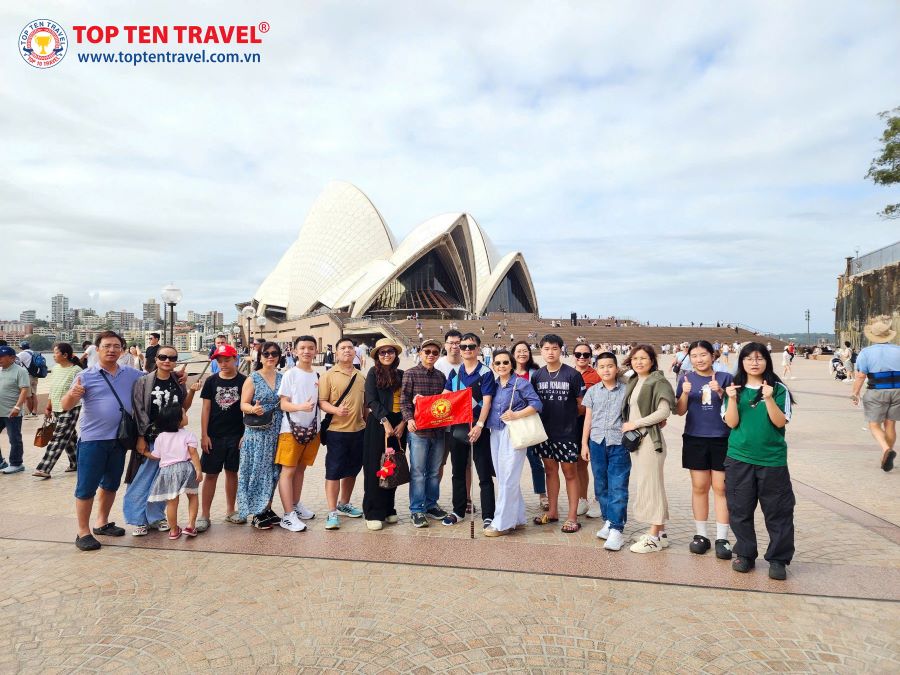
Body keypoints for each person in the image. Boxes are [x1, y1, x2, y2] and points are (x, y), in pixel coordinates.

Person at [61, 331, 145, 551]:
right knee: (86, 487)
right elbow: (66, 405)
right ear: (96, 349)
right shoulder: (85, 375)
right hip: (93, 440)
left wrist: (179, 378)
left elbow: (154, 381)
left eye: (116, 346)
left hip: (120, 440)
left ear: (122, 350)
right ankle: (83, 532)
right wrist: (73, 394)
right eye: (107, 346)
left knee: (110, 484)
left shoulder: (132, 374)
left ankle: (102, 522)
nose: (112, 350)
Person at [723, 342, 795, 580]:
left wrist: (770, 398)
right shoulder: (734, 389)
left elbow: (780, 422)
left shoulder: (779, 389)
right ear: (742, 362)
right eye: (749, 358)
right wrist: (732, 399)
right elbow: (732, 423)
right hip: (739, 458)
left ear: (767, 360)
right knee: (740, 509)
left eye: (759, 358)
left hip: (772, 460)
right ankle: (745, 553)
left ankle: (778, 559)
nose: (754, 362)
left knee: (778, 511)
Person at [126, 344, 198, 537]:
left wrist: (190, 391)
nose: (167, 361)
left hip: (172, 441)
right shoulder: (143, 381)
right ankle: (138, 519)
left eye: (172, 358)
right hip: (151, 438)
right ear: (156, 359)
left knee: (163, 482)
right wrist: (141, 437)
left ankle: (156, 517)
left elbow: (183, 408)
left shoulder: (178, 381)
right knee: (142, 479)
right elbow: (138, 410)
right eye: (163, 357)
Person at [675, 340, 734, 559]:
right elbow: (679, 411)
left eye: (703, 355)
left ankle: (722, 537)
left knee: (721, 488)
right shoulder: (686, 378)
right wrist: (684, 393)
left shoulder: (725, 378)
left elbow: (733, 409)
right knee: (699, 487)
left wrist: (721, 394)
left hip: (722, 438)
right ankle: (701, 535)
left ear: (713, 356)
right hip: (695, 437)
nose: (699, 359)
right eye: (695, 355)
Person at [622, 344, 676, 554]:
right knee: (651, 484)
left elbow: (664, 412)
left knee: (651, 486)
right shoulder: (634, 380)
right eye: (635, 358)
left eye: (643, 358)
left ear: (652, 360)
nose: (639, 362)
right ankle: (660, 533)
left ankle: (653, 537)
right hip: (638, 441)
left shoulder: (658, 381)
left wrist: (636, 423)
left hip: (650, 441)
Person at [483, 348, 542, 537]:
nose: (502, 366)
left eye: (505, 362)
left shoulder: (521, 383)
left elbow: (537, 404)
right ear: (493, 365)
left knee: (509, 477)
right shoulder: (494, 384)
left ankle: (502, 522)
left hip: (513, 432)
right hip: (496, 431)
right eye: (498, 363)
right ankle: (517, 517)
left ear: (512, 364)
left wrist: (516, 414)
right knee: (503, 476)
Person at [531, 334, 585, 533]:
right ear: (541, 351)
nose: (550, 352)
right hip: (545, 433)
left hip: (567, 433)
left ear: (561, 350)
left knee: (570, 472)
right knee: (550, 471)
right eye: (546, 348)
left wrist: (568, 419)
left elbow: (581, 406)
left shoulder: (572, 374)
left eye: (554, 348)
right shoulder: (537, 376)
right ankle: (552, 512)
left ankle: (572, 516)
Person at [441, 333, 496, 529]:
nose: (466, 350)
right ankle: (458, 510)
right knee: (457, 472)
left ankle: (488, 515)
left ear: (478, 349)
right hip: (458, 428)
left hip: (478, 429)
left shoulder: (486, 373)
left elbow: (487, 401)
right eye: (463, 346)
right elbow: (444, 398)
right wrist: (423, 401)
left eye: (471, 347)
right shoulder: (455, 374)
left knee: (483, 474)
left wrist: (480, 426)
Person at [580, 351, 629, 550]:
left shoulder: (626, 390)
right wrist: (584, 443)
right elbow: (588, 419)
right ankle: (609, 521)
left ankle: (617, 528)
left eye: (610, 366)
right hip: (597, 441)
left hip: (619, 442)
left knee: (618, 484)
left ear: (616, 369)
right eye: (601, 366)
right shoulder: (592, 392)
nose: (606, 369)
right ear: (596, 369)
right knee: (601, 485)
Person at [318, 337, 366, 530]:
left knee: (352, 469)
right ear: (336, 353)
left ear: (355, 352)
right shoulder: (328, 375)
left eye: (350, 347)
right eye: (343, 348)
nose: (347, 350)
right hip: (337, 431)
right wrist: (336, 410)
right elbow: (322, 402)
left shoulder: (361, 376)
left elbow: (365, 405)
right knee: (334, 471)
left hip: (358, 430)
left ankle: (344, 503)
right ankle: (332, 511)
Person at [400, 338, 448, 527]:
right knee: (418, 471)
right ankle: (417, 509)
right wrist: (409, 419)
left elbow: (444, 402)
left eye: (434, 353)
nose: (430, 355)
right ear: (420, 353)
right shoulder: (410, 374)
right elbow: (404, 401)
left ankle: (431, 504)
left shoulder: (440, 376)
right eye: (427, 351)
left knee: (434, 471)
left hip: (438, 431)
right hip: (419, 431)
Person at [198, 344, 247, 530]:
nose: (223, 364)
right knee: (210, 475)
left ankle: (230, 510)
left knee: (232, 473)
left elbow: (247, 410)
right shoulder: (211, 381)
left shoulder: (244, 381)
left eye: (227, 360)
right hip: (214, 436)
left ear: (235, 359)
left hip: (236, 435)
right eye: (220, 361)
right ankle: (204, 514)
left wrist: (245, 434)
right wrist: (204, 435)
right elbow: (206, 409)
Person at [275, 336, 320, 532]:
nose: (306, 351)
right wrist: (301, 406)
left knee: (301, 469)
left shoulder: (317, 375)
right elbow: (283, 403)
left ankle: (296, 504)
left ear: (316, 351)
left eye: (310, 348)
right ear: (294, 351)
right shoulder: (290, 374)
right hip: (290, 429)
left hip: (312, 429)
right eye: (302, 348)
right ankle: (287, 515)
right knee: (288, 471)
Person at [237, 342, 284, 529]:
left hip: (277, 430)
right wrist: (253, 409)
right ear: (260, 357)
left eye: (274, 353)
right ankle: (257, 512)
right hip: (258, 432)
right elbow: (243, 404)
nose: (270, 357)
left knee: (274, 472)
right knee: (257, 471)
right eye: (266, 354)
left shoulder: (283, 377)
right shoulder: (253, 378)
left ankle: (267, 507)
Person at [362, 338, 406, 530]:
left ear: (395, 354)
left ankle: (389, 508)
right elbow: (371, 400)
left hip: (399, 425)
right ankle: (373, 511)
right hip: (379, 424)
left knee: (392, 465)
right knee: (376, 467)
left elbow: (409, 401)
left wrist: (403, 423)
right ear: (377, 356)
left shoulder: (403, 374)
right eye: (382, 352)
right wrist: (385, 421)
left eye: (390, 351)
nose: (386, 354)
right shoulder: (373, 373)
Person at [851, 316, 900, 472]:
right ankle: (885, 455)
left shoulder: (866, 352)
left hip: (877, 390)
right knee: (890, 423)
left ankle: (886, 449)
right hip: (898, 390)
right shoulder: (898, 350)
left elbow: (860, 375)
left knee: (874, 425)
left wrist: (855, 393)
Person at [147, 404, 202, 539]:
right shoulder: (188, 435)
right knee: (193, 495)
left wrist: (145, 453)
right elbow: (193, 453)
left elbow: (156, 455)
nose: (186, 416)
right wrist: (199, 470)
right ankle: (190, 525)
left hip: (167, 471)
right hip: (186, 468)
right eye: (184, 414)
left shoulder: (160, 437)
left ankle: (173, 530)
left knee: (171, 501)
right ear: (177, 420)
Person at [33, 343, 83, 478]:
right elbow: (53, 389)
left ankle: (44, 468)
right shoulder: (55, 369)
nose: (53, 355)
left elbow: (80, 391)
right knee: (70, 438)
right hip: (56, 407)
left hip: (72, 408)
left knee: (58, 437)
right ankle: (77, 463)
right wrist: (49, 406)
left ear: (65, 355)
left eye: (55, 353)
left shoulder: (76, 370)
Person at [512, 340, 548, 511]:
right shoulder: (507, 371)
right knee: (511, 463)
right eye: (518, 351)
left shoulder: (536, 372)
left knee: (535, 460)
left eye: (525, 351)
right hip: (512, 424)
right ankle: (512, 497)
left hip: (531, 421)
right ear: (513, 354)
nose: (522, 354)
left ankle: (542, 495)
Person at [572, 344, 602, 518]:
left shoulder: (597, 375)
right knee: (578, 465)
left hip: (593, 423)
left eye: (586, 354)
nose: (582, 357)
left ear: (591, 356)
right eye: (578, 354)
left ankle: (598, 500)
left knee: (597, 464)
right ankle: (582, 499)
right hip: (574, 423)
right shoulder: (568, 373)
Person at [0, 345, 30, 473]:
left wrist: (17, 407)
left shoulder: (20, 371)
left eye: (2, 356)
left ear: (12, 358)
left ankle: (17, 463)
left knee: (14, 438)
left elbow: (24, 390)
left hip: (12, 411)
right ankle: (1, 462)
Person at [15, 342, 39, 417]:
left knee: (27, 396)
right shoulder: (34, 353)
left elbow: (13, 360)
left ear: (21, 347)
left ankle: (32, 413)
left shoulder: (22, 354)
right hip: (35, 375)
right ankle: (34, 412)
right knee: (34, 394)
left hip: (27, 376)